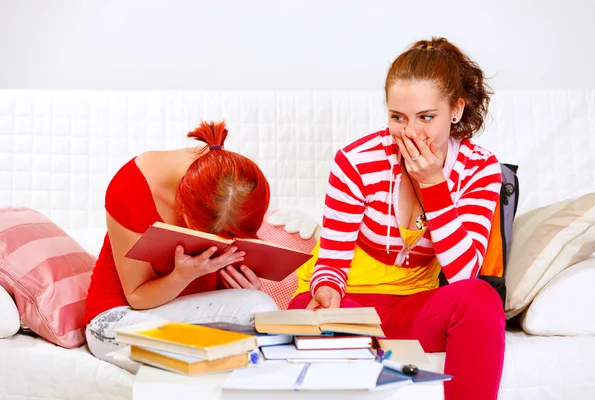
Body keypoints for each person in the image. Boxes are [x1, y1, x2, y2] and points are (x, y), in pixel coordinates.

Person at [289, 37, 505, 400]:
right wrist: (325, 291)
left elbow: (464, 274)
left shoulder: (480, 168)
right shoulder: (355, 161)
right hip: (350, 302)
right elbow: (331, 264)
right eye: (397, 118)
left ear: (455, 110)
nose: (410, 133)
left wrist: (435, 185)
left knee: (481, 300)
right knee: (304, 314)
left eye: (426, 117)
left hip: (415, 308)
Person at [83, 121, 279, 370]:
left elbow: (207, 296)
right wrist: (181, 275)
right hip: (119, 320)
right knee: (238, 346)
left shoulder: (236, 186)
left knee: (260, 306)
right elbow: (138, 297)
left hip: (187, 317)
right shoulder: (130, 188)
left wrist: (236, 285)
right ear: (183, 207)